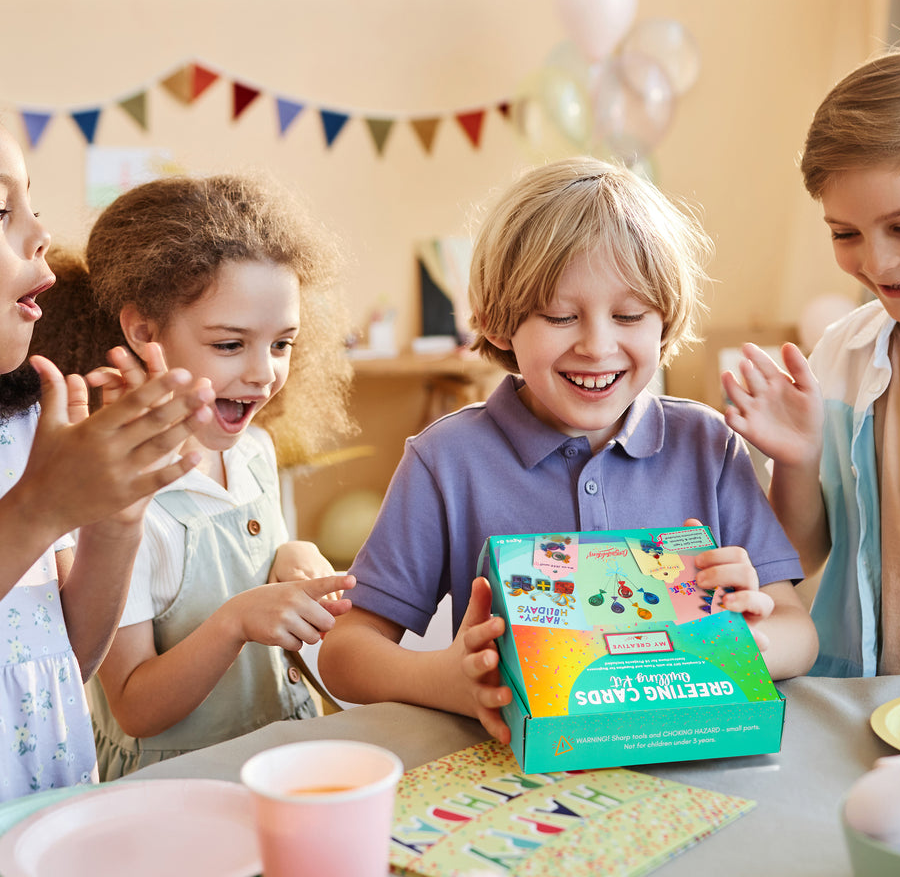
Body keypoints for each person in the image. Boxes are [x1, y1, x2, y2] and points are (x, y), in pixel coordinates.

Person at [319, 157, 819, 742]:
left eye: (630, 315)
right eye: (560, 316)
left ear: (664, 324)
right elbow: (345, 653)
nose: (597, 345)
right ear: (499, 324)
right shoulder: (445, 461)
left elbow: (798, 631)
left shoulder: (708, 446)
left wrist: (750, 639)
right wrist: (442, 678)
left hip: (688, 761)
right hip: (512, 775)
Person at [33, 173, 357, 779]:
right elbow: (132, 704)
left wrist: (292, 552)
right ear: (144, 332)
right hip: (181, 785)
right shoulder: (114, 497)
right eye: (231, 344)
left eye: (283, 344)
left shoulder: (254, 449)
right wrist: (236, 620)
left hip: (284, 755)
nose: (264, 373)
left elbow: (261, 556)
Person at [0, 65, 217, 813]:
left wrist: (114, 518)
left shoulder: (13, 424)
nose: (42, 235)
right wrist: (40, 507)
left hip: (42, 818)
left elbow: (66, 659)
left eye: (30, 205)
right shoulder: (29, 474)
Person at [721, 46, 900, 685]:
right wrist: (800, 458)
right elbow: (803, 553)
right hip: (862, 698)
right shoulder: (842, 354)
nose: (880, 263)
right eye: (845, 234)